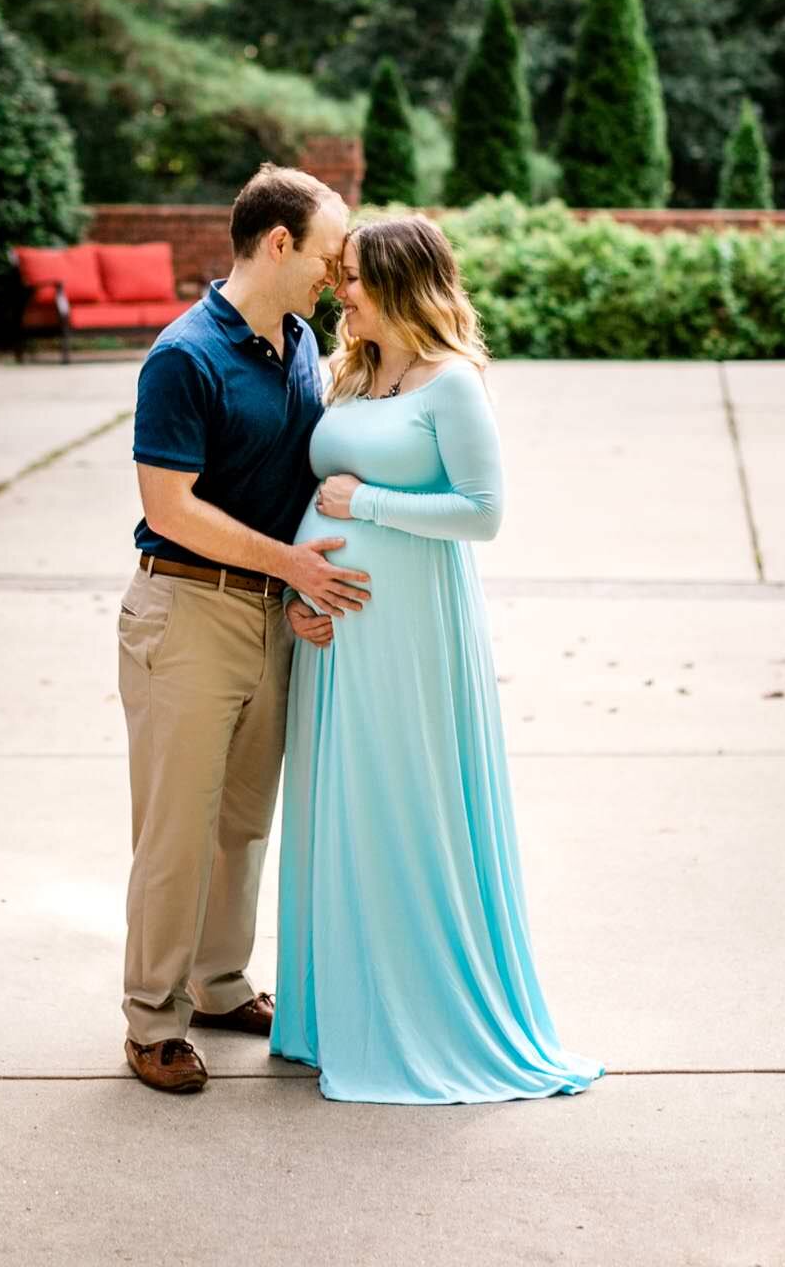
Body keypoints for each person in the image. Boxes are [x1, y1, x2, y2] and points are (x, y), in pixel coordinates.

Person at [273, 213, 604, 1104]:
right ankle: (336, 1011)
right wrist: (302, 596)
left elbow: (482, 513)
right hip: (336, 635)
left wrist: (368, 506)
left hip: (409, 630)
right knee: (338, 806)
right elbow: (317, 493)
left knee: (400, 801)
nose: (340, 293)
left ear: (396, 283)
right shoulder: (355, 371)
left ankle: (418, 1013)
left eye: (353, 279)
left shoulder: (451, 384)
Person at [119, 164, 370, 1095]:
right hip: (185, 610)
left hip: (271, 613)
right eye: (328, 254)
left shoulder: (300, 341)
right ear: (278, 244)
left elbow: (294, 479)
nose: (339, 275)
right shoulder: (184, 356)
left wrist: (300, 576)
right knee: (175, 831)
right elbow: (169, 507)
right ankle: (151, 1021)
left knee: (241, 825)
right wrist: (293, 565)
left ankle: (219, 985)